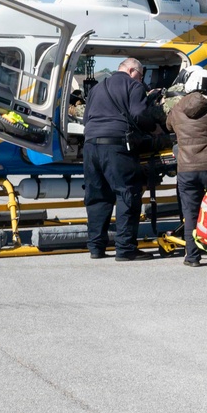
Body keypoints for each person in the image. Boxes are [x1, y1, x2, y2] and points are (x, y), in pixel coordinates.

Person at [82, 57, 156, 261]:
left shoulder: (97, 88)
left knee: (97, 196)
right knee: (127, 193)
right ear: (132, 71)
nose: (141, 80)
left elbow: (85, 118)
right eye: (140, 76)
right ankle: (125, 248)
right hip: (116, 146)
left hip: (90, 146)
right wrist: (153, 126)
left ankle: (96, 248)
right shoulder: (133, 86)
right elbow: (139, 114)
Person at [165, 67, 207, 267]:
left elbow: (168, 126)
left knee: (191, 213)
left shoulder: (178, 107)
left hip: (187, 169)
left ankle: (192, 256)